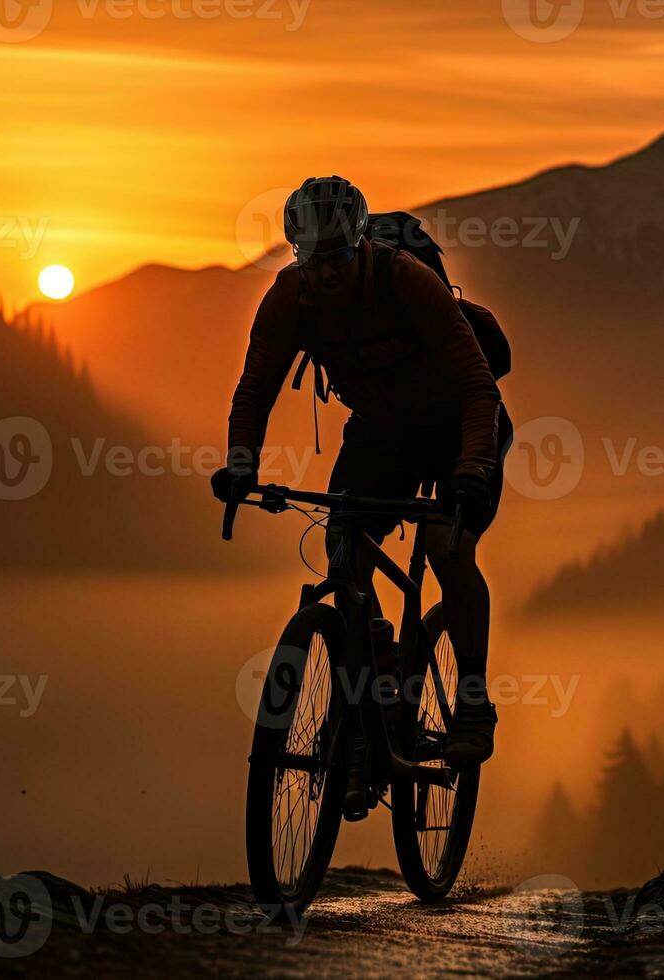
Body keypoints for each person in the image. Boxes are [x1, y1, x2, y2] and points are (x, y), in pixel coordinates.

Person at [212, 175, 511, 794]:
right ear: (296, 252)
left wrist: (473, 472)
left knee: (444, 548)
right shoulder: (290, 297)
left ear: (360, 245)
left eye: (339, 255)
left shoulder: (405, 280)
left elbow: (479, 384)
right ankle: (370, 686)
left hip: (460, 425)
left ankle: (474, 702)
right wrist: (241, 463)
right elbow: (256, 386)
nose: (326, 271)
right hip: (383, 433)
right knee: (343, 545)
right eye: (312, 256)